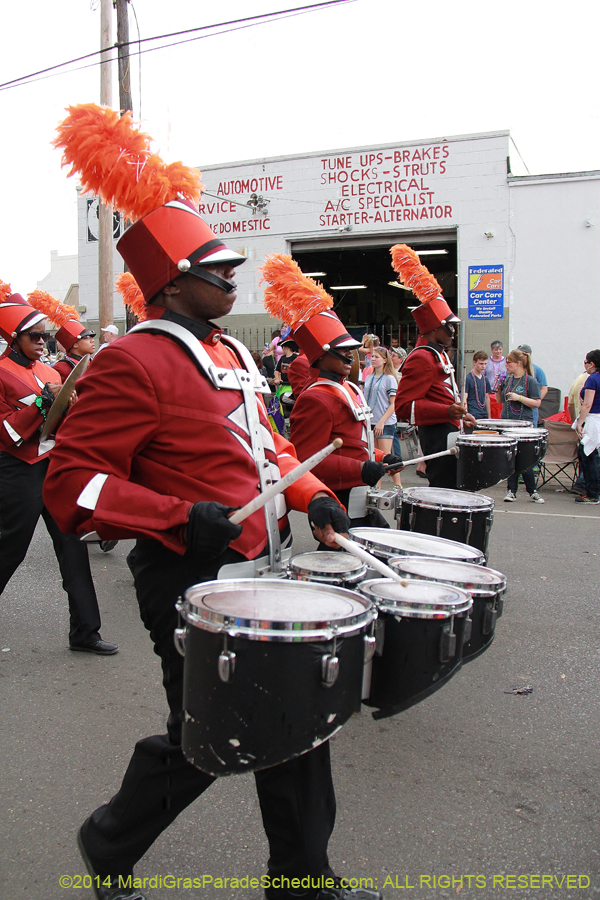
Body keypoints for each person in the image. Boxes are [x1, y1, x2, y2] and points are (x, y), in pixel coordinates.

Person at [44, 199, 375, 900]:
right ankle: (111, 837)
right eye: (216, 267)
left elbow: (273, 448)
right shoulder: (129, 360)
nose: (233, 276)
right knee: (210, 736)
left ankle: (301, 881)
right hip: (189, 575)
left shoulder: (233, 353)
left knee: (295, 723)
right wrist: (177, 517)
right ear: (170, 281)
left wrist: (308, 492)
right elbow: (72, 485)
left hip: (262, 569)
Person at [0, 290, 117, 655]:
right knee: (9, 550)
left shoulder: (51, 371)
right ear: (13, 337)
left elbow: (63, 424)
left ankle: (85, 631)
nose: (41, 341)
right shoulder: (1, 373)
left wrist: (72, 407)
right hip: (18, 470)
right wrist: (41, 402)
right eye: (33, 336)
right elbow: (7, 434)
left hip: (53, 466)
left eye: (43, 335)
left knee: (73, 547)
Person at [391, 244, 476, 488]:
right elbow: (404, 407)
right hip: (437, 436)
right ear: (434, 328)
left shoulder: (439, 355)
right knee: (443, 491)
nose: (453, 331)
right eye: (449, 326)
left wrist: (459, 414)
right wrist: (447, 412)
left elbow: (443, 395)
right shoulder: (422, 357)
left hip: (448, 431)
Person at [497, 349, 544, 503]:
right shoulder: (508, 380)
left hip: (523, 424)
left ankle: (532, 490)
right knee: (511, 458)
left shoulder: (530, 381)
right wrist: (498, 387)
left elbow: (536, 403)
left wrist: (519, 397)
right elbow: (500, 400)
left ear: (518, 363)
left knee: (525, 459)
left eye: (509, 362)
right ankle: (511, 490)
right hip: (509, 423)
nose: (506, 365)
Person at [363, 347, 402, 489]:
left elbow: (393, 404)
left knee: (386, 456)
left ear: (385, 360)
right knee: (374, 457)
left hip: (384, 422)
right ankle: (376, 487)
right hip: (370, 421)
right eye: (372, 356)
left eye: (377, 357)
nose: (373, 359)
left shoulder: (390, 379)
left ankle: (398, 485)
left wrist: (381, 422)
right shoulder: (368, 377)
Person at [572, 349, 600, 504]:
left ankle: (592, 493)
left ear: (592, 364)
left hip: (593, 419)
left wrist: (580, 422)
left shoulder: (592, 379)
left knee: (588, 456)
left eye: (586, 362)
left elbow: (587, 403)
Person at [517, 344, 547, 426]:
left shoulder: (537, 370)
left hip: (530, 410)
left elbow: (544, 388)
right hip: (517, 409)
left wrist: (535, 400)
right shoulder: (516, 369)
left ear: (528, 355)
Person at [465, 351, 492, 421]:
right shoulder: (468, 378)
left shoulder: (485, 379)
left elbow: (487, 397)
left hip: (483, 415)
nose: (483, 366)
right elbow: (464, 398)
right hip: (473, 415)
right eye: (481, 364)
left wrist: (489, 416)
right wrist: (466, 415)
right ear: (474, 362)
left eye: (485, 364)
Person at [484, 341, 507, 419]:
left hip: (501, 394)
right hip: (489, 394)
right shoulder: (487, 361)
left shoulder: (506, 361)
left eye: (500, 349)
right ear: (492, 350)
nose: (498, 351)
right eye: (496, 349)